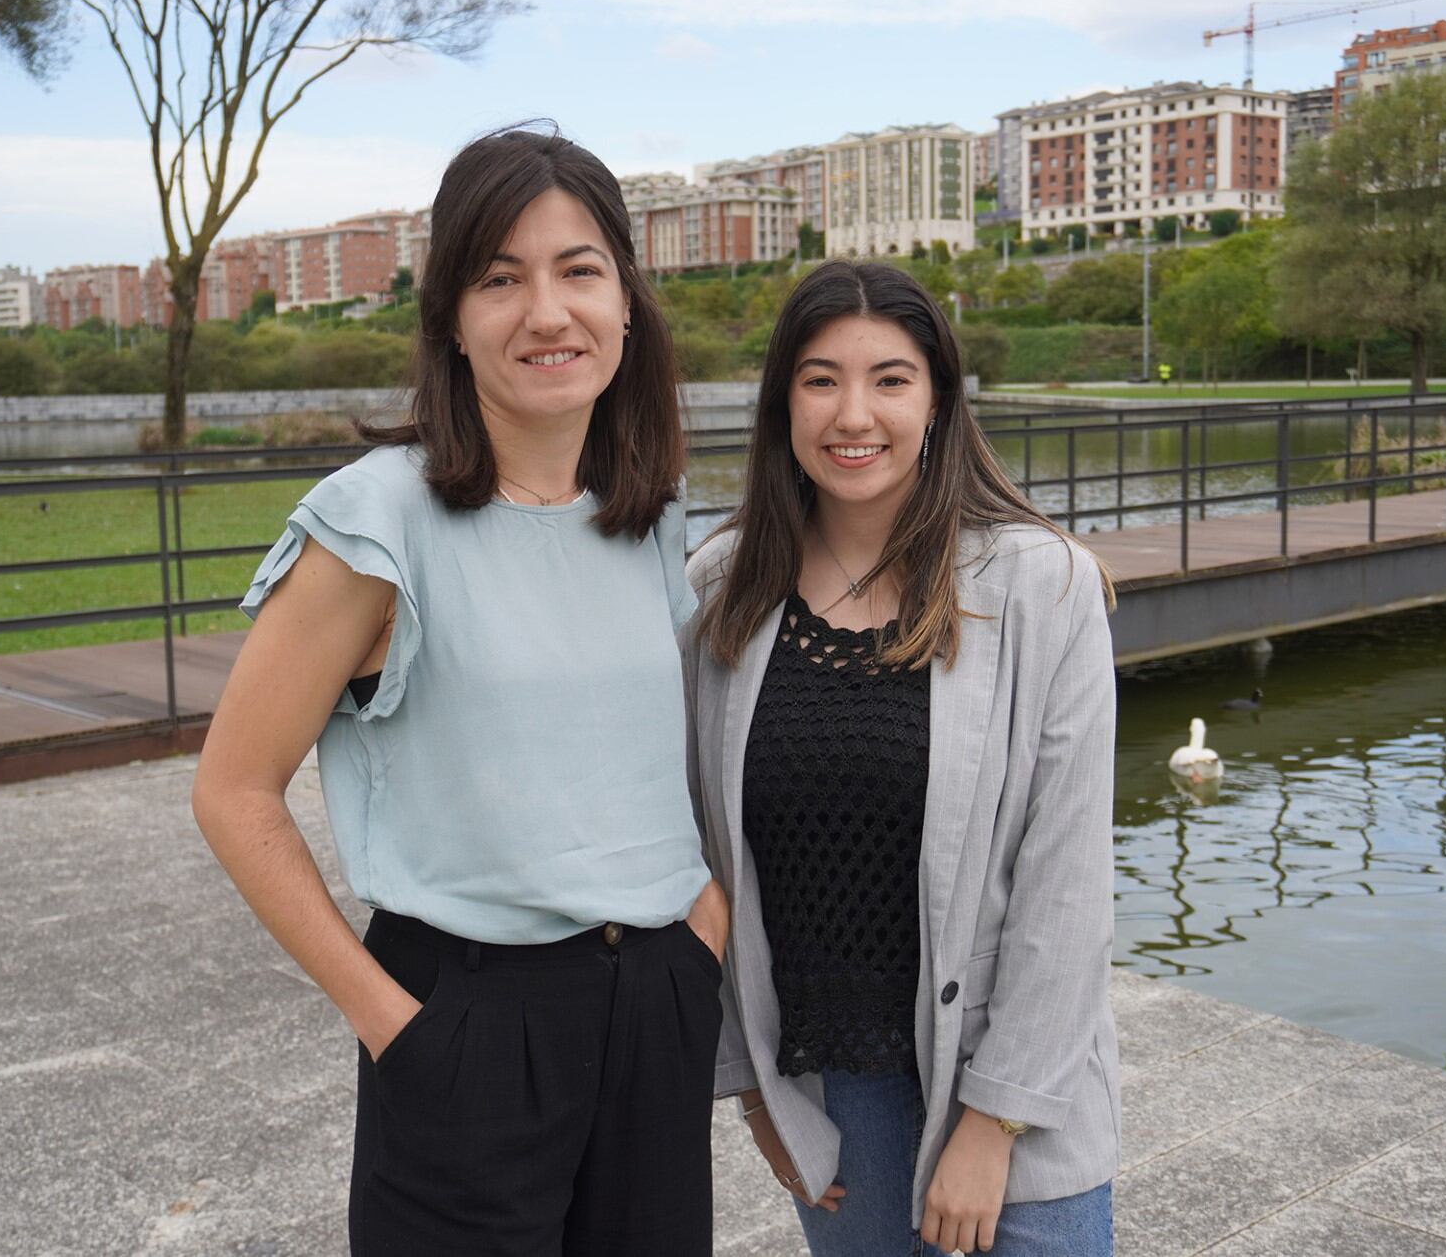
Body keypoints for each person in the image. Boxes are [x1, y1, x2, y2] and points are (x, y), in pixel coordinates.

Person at [191, 125, 728, 1257]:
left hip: (657, 1008)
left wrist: (703, 935)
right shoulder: (376, 519)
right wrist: (390, 1019)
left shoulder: (645, 508)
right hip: (467, 1018)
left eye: (580, 271)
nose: (548, 313)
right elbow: (234, 789)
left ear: (627, 301)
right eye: (500, 279)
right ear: (450, 317)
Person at [683, 260, 1120, 1256]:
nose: (855, 412)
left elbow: (1068, 884)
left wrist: (992, 1119)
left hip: (1012, 1090)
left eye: (890, 378)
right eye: (820, 377)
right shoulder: (720, 592)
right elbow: (701, 855)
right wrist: (751, 1091)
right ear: (782, 402)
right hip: (836, 1095)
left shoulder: (1040, 587)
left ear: (937, 399)